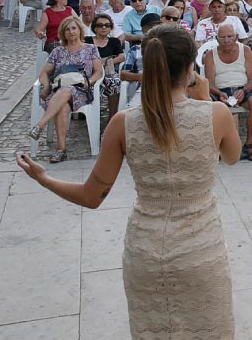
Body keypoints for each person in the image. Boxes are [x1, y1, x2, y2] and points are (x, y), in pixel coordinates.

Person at [18, 23, 239, 337]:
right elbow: (232, 156)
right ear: (191, 67)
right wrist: (204, 101)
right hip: (201, 249)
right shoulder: (216, 114)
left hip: (145, 250)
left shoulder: (123, 122)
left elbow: (91, 196)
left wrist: (45, 179)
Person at [29, 15, 104, 163]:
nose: (71, 32)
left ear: (80, 30)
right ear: (63, 33)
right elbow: (44, 73)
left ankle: (41, 125)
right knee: (63, 106)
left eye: (74, 28)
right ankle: (61, 150)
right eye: (67, 29)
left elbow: (98, 71)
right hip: (59, 91)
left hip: (82, 91)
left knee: (67, 90)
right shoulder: (58, 51)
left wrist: (89, 81)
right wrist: (46, 85)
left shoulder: (90, 49)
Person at [202, 22, 252, 160]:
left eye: (230, 36)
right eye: (222, 37)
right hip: (220, 91)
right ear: (217, 39)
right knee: (216, 107)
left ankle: (249, 144)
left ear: (236, 37)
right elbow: (209, 83)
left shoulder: (245, 50)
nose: (226, 40)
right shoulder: (210, 54)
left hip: (243, 88)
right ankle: (221, 146)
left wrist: (244, 91)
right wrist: (219, 93)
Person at [84, 14, 125, 115]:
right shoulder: (87, 40)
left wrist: (107, 62)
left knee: (115, 82)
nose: (104, 28)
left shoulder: (114, 41)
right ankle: (89, 113)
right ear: (94, 28)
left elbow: (122, 56)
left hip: (107, 72)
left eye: (107, 25)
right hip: (90, 72)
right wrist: (98, 63)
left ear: (110, 28)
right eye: (100, 25)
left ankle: (112, 116)